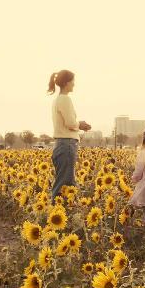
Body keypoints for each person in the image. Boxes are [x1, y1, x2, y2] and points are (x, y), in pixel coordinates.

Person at [47, 70, 91, 200]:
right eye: (72, 81)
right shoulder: (65, 99)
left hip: (61, 144)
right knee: (64, 183)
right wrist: (80, 124)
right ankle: (56, 210)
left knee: (67, 182)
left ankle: (67, 211)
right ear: (66, 83)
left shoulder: (57, 100)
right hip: (66, 145)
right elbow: (70, 123)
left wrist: (78, 125)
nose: (74, 84)